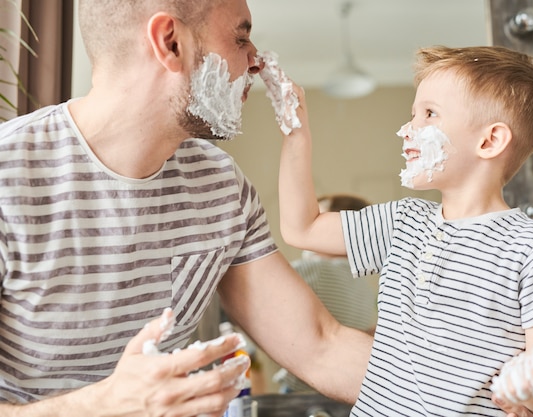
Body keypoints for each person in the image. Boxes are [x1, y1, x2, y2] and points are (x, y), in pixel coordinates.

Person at [0, 1, 374, 415]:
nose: (256, 61)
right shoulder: (7, 176)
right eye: (241, 37)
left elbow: (321, 346)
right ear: (170, 42)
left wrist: (453, 379)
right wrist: (104, 403)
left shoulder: (221, 188)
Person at [275, 45, 533, 416]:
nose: (407, 129)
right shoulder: (402, 224)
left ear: (490, 141)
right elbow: (302, 228)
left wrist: (532, 390)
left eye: (429, 114)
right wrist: (296, 135)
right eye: (412, 113)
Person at [275, 194, 379, 393]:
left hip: (304, 388)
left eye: (317, 219)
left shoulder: (314, 270)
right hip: (350, 386)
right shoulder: (366, 285)